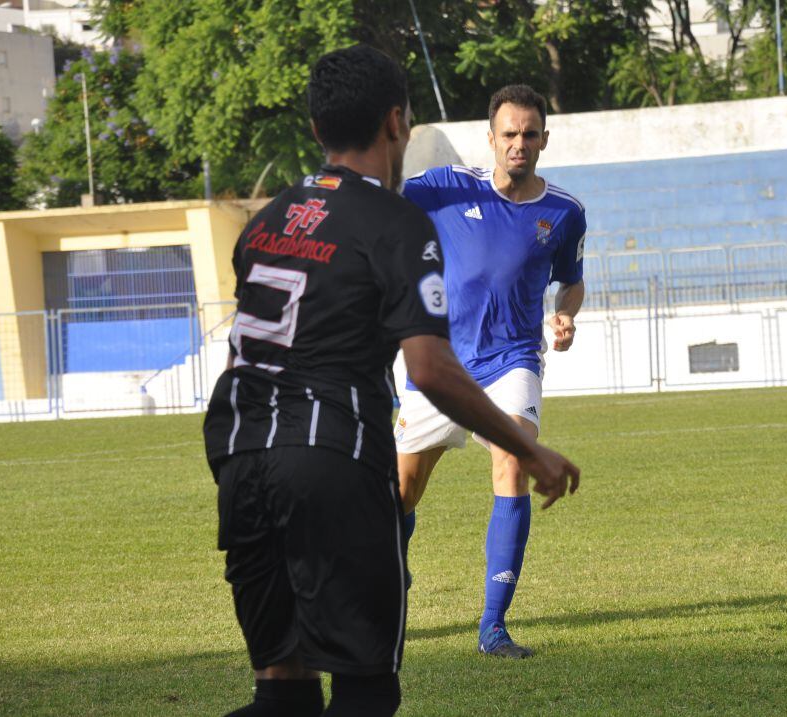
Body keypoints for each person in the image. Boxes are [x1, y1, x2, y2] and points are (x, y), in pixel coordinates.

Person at [202, 48, 580, 717]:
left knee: (282, 693)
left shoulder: (266, 221)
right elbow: (430, 368)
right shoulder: (399, 222)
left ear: (316, 129)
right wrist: (531, 448)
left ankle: (493, 624)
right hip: (328, 460)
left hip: (237, 455)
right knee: (366, 689)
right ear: (398, 122)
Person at [395, 84, 586, 658]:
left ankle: (494, 627)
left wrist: (564, 315)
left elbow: (571, 280)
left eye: (530, 133)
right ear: (491, 138)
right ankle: (391, 580)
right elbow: (382, 201)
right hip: (439, 366)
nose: (519, 143)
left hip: (513, 362)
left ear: (545, 139)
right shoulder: (444, 188)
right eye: (509, 133)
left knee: (513, 460)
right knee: (401, 491)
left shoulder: (564, 212)